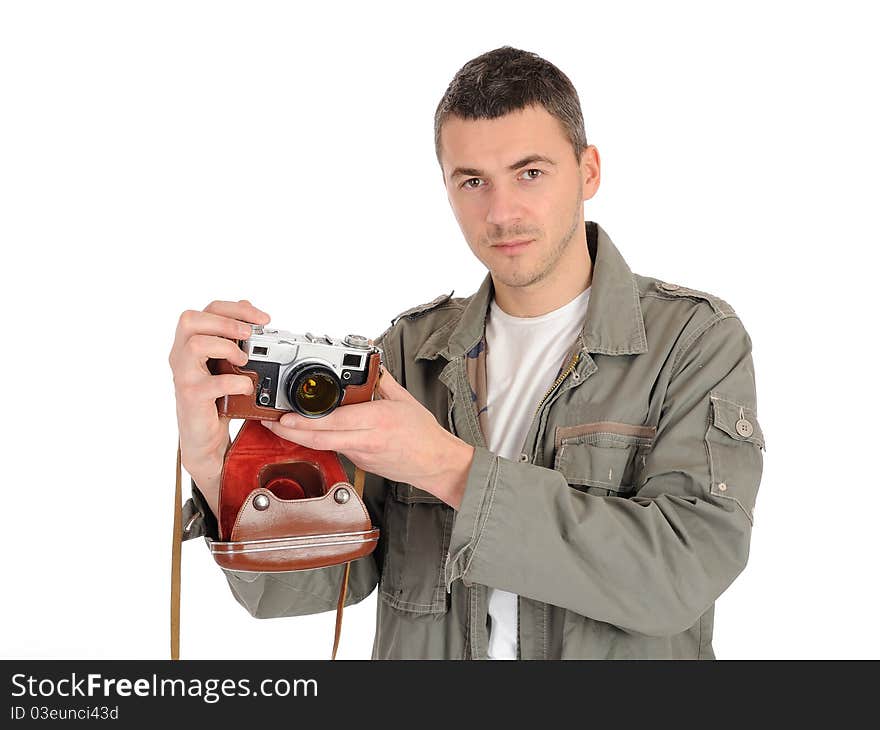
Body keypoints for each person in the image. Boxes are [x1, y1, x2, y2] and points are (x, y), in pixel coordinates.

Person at [168, 46, 765, 660]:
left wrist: (445, 467)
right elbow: (313, 581)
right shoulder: (405, 354)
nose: (501, 212)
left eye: (530, 172)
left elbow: (680, 575)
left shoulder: (692, 341)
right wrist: (217, 468)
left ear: (588, 171)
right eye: (473, 181)